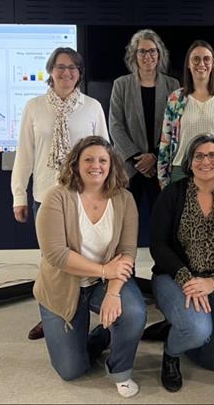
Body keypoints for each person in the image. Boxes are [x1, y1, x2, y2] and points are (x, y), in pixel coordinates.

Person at [34, 136, 146, 398]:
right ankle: (100, 336)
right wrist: (104, 270)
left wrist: (113, 292)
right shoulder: (57, 197)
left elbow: (127, 252)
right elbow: (56, 254)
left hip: (103, 284)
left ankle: (120, 370)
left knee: (133, 312)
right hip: (63, 286)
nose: (96, 166)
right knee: (71, 370)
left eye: (103, 160)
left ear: (111, 165)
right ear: (75, 164)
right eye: (89, 159)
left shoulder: (124, 199)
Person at [11, 47, 109, 341]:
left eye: (72, 68)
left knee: (82, 258)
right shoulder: (34, 107)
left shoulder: (92, 107)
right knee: (52, 263)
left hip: (84, 198)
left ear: (79, 73)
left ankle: (83, 312)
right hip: (46, 196)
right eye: (60, 67)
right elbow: (25, 154)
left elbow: (104, 153)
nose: (66, 73)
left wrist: (107, 195)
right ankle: (51, 316)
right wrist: (19, 195)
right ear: (50, 71)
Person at [150, 134, 214, 392]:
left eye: (212, 155)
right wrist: (187, 279)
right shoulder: (172, 194)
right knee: (198, 330)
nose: (206, 161)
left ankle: (176, 325)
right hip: (174, 277)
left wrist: (213, 281)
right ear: (189, 161)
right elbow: (158, 245)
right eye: (199, 156)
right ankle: (171, 353)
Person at [109, 29, 180, 236]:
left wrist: (155, 156)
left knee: (163, 225)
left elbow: (176, 126)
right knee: (124, 224)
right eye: (142, 51)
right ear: (134, 55)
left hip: (161, 166)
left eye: (152, 51)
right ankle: (124, 260)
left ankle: (161, 259)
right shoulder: (121, 85)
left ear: (159, 54)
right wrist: (138, 159)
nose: (148, 56)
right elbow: (115, 125)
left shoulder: (173, 85)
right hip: (130, 168)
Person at [158, 40, 214, 188]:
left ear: (213, 64)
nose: (201, 63)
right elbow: (165, 142)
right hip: (182, 172)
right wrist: (163, 178)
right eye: (196, 59)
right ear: (188, 64)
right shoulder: (176, 98)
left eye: (206, 59)